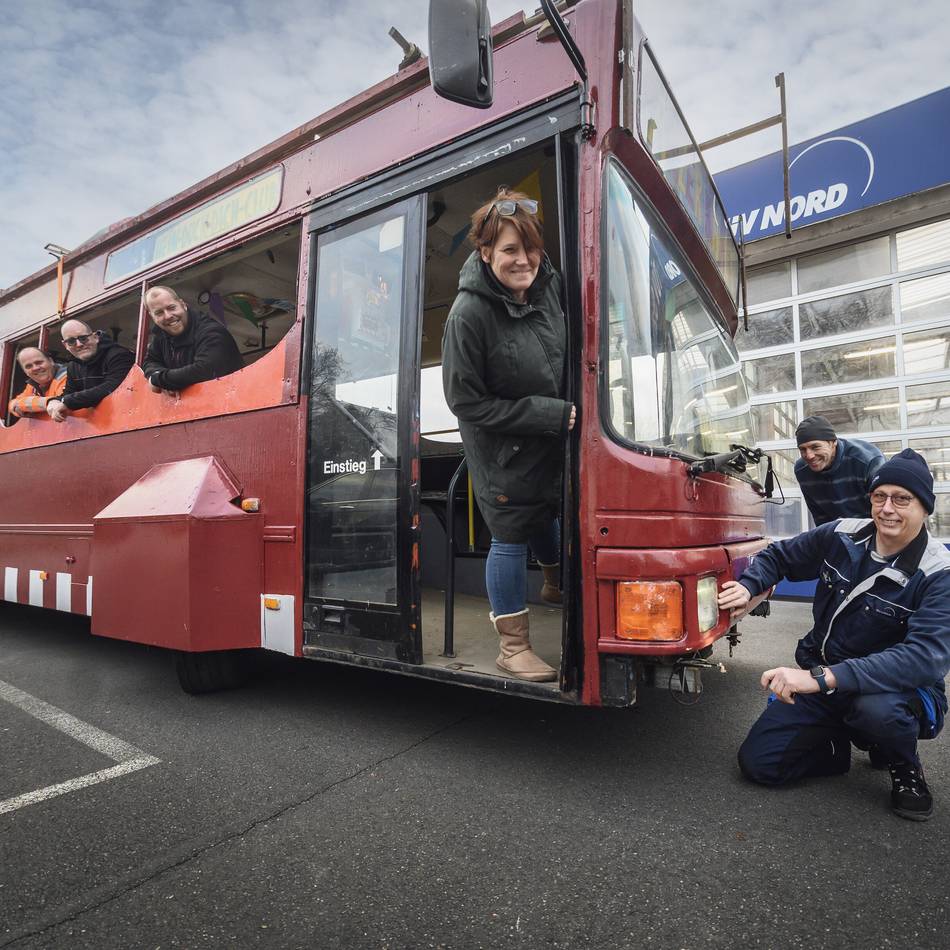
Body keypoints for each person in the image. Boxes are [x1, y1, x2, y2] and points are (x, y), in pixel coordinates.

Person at [719, 449, 950, 821]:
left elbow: (923, 658)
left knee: (878, 711)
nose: (887, 508)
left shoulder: (939, 572)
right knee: (759, 764)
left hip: (891, 690)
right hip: (826, 678)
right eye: (879, 497)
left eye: (902, 499)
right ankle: (837, 743)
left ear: (925, 507)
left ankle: (904, 764)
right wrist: (749, 586)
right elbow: (779, 556)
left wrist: (819, 679)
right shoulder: (842, 533)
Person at [442, 188, 575, 683]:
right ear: (485, 254)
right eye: (509, 251)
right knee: (511, 531)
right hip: (502, 448)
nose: (524, 260)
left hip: (550, 435)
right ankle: (512, 647)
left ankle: (555, 585)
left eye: (531, 249)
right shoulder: (467, 315)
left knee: (546, 510)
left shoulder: (547, 288)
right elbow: (466, 403)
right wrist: (548, 413)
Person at [142, 286, 244, 393]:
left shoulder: (211, 331)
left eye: (171, 308)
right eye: (159, 313)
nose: (167, 316)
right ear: (152, 316)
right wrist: (161, 376)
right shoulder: (161, 335)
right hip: (193, 406)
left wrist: (158, 380)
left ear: (183, 305)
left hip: (232, 402)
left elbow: (204, 371)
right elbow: (150, 361)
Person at [794, 415, 884, 525]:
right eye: (803, 449)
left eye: (815, 447)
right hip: (838, 533)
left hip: (875, 528)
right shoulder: (802, 470)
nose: (809, 456)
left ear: (833, 442)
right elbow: (820, 517)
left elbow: (885, 510)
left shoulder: (867, 461)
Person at [46, 320, 135, 423]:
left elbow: (113, 387)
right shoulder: (73, 366)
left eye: (83, 338)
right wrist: (53, 401)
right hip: (101, 426)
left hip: (129, 420)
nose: (79, 344)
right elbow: (69, 393)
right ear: (65, 345)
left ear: (95, 337)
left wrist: (67, 402)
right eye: (71, 341)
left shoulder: (119, 355)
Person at [7, 347, 67, 418]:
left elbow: (60, 401)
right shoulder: (33, 385)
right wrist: (46, 402)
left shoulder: (67, 375)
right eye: (28, 366)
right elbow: (13, 404)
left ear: (51, 361)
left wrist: (28, 406)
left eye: (39, 362)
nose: (35, 368)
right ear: (25, 372)